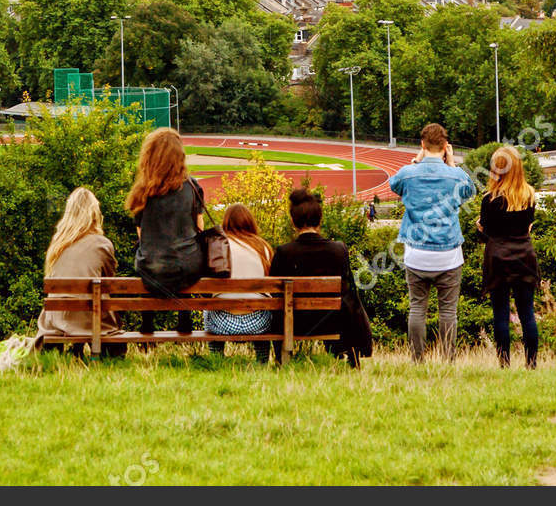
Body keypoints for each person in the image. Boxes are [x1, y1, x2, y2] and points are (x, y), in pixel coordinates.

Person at [388, 122, 473, 362]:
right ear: (446, 147)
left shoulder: (408, 173)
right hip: (449, 253)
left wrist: (416, 161)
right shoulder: (455, 175)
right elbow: (469, 191)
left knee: (417, 308)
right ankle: (447, 358)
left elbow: (394, 184)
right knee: (448, 311)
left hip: (416, 252)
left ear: (422, 145)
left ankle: (417, 359)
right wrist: (453, 164)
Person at [268, 188, 372, 366]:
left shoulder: (284, 252)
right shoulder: (338, 250)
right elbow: (348, 291)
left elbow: (274, 292)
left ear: (294, 221)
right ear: (319, 220)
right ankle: (350, 356)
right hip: (332, 321)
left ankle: (281, 359)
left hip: (294, 322)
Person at [125, 127, 205, 335]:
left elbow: (141, 234)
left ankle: (147, 327)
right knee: (185, 256)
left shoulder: (143, 190)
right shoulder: (192, 186)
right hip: (187, 268)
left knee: (150, 260)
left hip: (152, 267)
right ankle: (185, 323)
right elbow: (200, 227)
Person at [35, 187, 125, 357]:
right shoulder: (102, 244)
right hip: (92, 319)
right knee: (99, 305)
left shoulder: (57, 245)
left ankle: (73, 352)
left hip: (57, 320)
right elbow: (108, 281)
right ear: (94, 213)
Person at [478, 146, 540, 369]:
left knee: (501, 314)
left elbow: (486, 231)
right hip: (524, 255)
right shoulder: (529, 195)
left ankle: (504, 363)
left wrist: (480, 228)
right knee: (527, 313)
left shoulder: (490, 199)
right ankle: (531, 364)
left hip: (498, 258)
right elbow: (528, 226)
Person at [204, 202, 273, 359]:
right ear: (250, 222)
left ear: (226, 222)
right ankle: (262, 360)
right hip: (258, 323)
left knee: (207, 309)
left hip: (222, 324)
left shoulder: (217, 247)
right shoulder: (263, 248)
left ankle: (216, 357)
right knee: (265, 306)